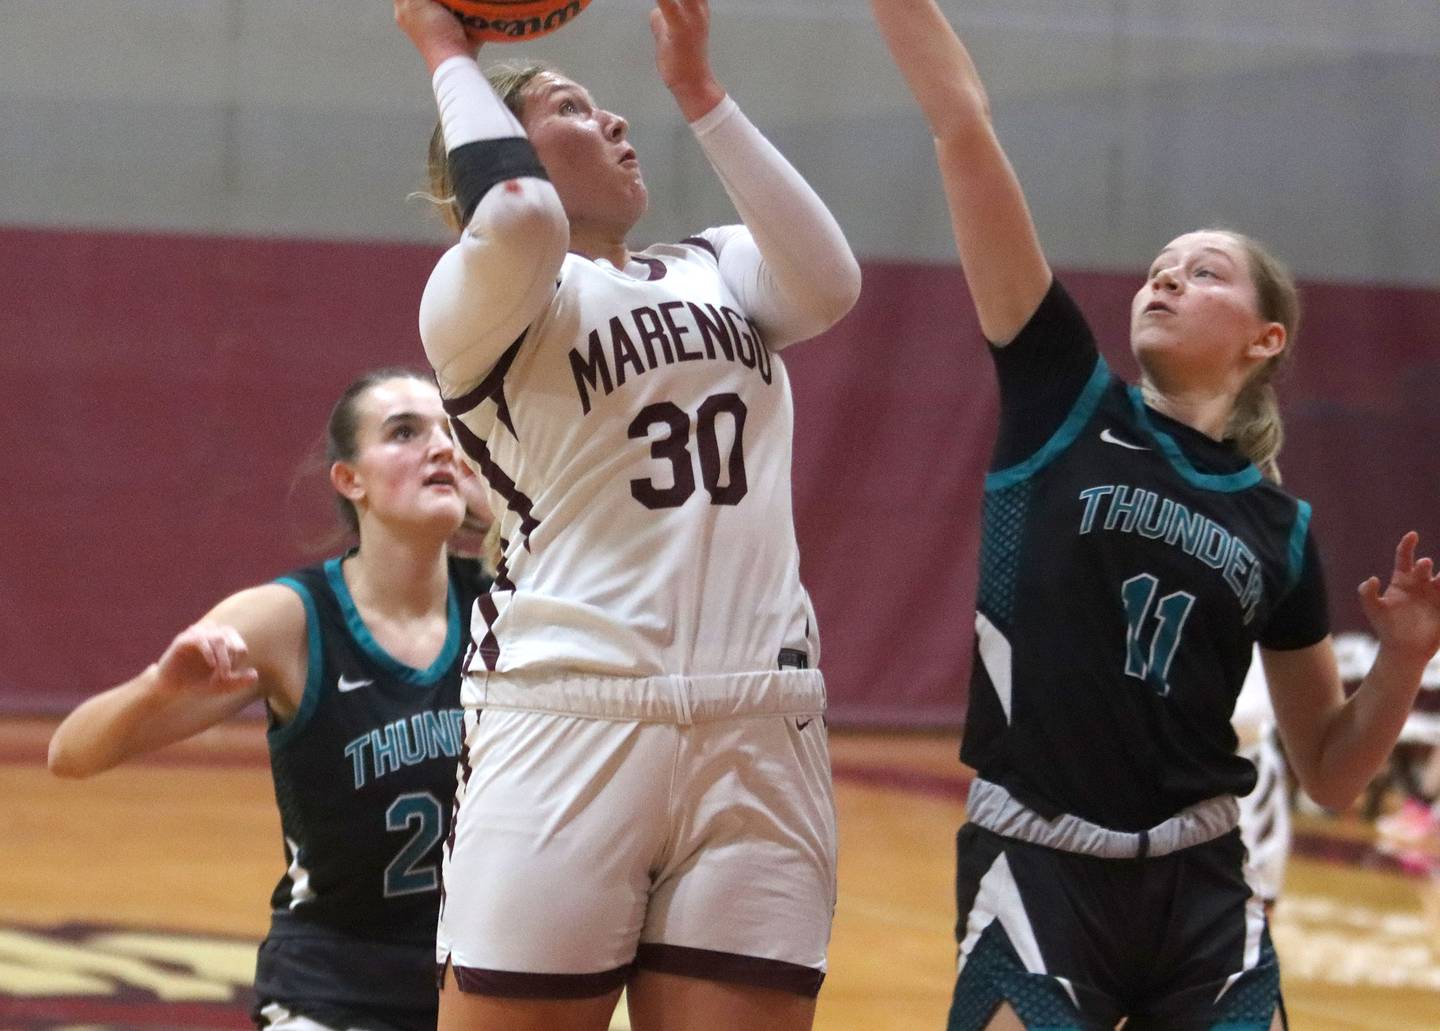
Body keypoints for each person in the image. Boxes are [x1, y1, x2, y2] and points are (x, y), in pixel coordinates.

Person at [866, 3, 1440, 1029]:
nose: (1166, 275)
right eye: (1160, 266)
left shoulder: (1281, 528)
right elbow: (962, 125)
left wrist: (1401, 659)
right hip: (1038, 860)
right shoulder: (1062, 399)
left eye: (1203, 269)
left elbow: (1333, 769)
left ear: (1265, 339)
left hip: (1203, 886)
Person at [392, 0, 861, 1027]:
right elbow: (515, 211)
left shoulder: (716, 263)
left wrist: (701, 93)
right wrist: (442, 44)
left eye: (613, 109)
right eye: (572, 107)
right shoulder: (479, 304)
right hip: (569, 713)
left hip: (757, 721)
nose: (615, 122)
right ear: (504, 141)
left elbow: (830, 282)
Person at [48, 367, 490, 1031]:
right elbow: (70, 753)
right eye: (404, 432)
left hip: (474, 979)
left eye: (447, 431)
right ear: (350, 480)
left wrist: (510, 510)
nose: (440, 448)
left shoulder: (502, 600)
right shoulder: (289, 620)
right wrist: (159, 685)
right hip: (332, 983)